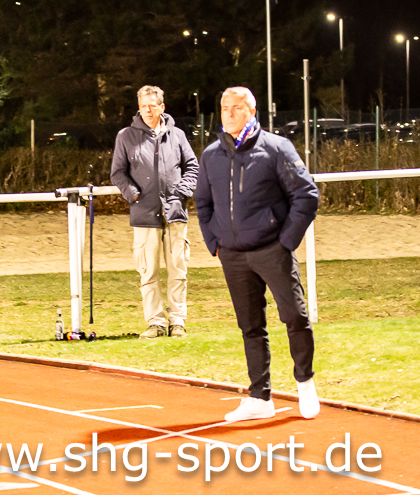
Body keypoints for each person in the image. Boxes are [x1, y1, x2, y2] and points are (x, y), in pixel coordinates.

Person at [194, 87, 321, 420]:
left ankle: (305, 383)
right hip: (233, 256)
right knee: (250, 326)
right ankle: (260, 398)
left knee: (295, 316)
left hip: (272, 250)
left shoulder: (276, 148)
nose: (229, 113)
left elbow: (306, 195)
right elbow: (202, 203)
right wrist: (215, 242)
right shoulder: (211, 155)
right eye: (225, 107)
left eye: (237, 107)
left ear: (251, 111)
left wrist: (285, 241)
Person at [111, 86, 199, 339]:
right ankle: (156, 323)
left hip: (175, 213)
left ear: (162, 107)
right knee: (148, 273)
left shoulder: (177, 135)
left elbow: (192, 167)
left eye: (152, 105)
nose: (147, 110)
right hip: (144, 215)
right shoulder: (125, 136)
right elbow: (117, 173)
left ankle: (177, 322)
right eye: (143, 106)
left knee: (178, 271)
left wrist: (181, 193)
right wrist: (133, 194)